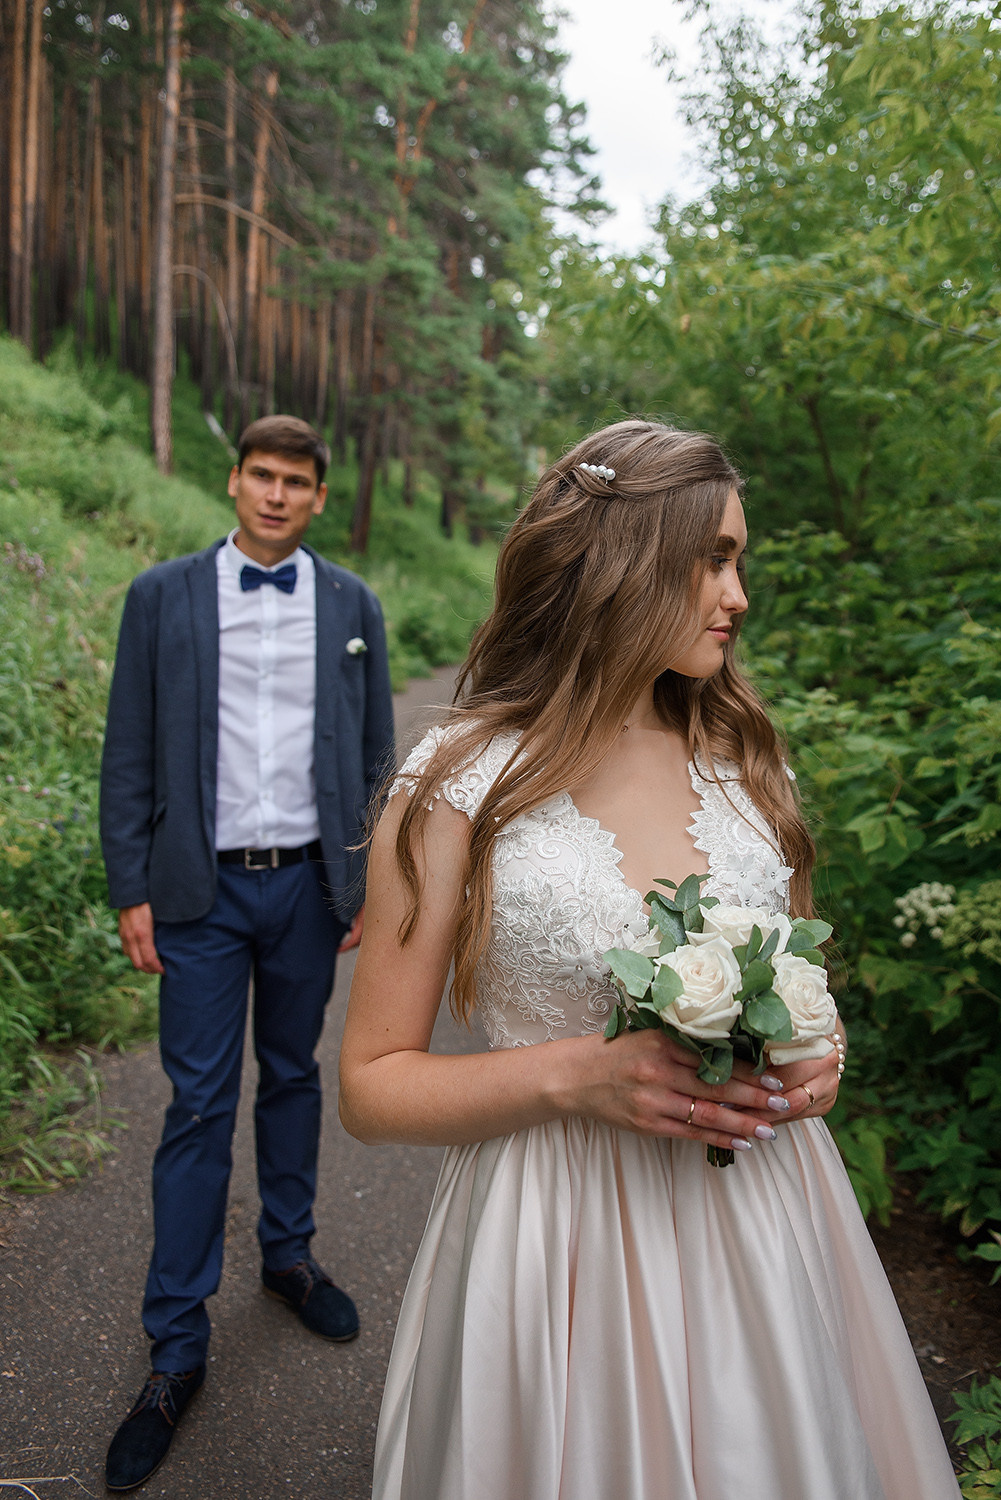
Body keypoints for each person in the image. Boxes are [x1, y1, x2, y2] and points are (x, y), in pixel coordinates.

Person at [338, 420, 960, 1500]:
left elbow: (801, 975)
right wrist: (572, 1074)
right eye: (714, 558)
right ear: (624, 562)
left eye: (739, 561)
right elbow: (369, 1085)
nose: (738, 594)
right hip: (551, 1244)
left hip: (761, 1224)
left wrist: (822, 1047)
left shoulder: (743, 761)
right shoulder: (456, 782)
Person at [99, 414, 394, 1492]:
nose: (276, 494)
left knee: (295, 1075)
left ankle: (287, 1256)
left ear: (319, 497)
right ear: (232, 483)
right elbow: (128, 744)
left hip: (307, 891)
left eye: (296, 482)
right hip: (200, 891)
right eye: (260, 476)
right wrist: (129, 884)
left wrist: (361, 880)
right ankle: (174, 1352)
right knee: (195, 1105)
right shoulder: (161, 596)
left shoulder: (351, 605)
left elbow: (374, 755)